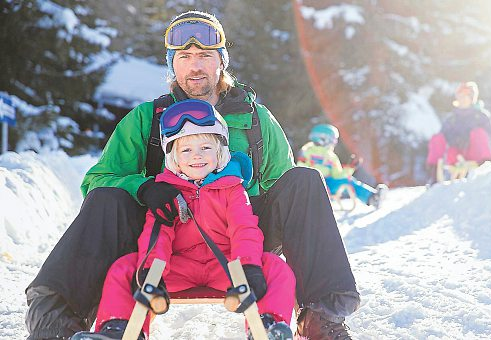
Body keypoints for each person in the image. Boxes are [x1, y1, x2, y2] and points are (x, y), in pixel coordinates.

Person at [25, 10, 359, 340]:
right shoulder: (148, 118)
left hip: (241, 230)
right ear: (172, 63)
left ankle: (322, 316)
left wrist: (236, 208)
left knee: (304, 180)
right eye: (184, 56)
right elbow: (98, 180)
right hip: (166, 232)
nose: (195, 65)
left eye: (205, 55)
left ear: (221, 61)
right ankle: (57, 321)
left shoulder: (256, 119)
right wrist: (143, 188)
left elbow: (284, 189)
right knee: (105, 198)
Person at [70, 99, 295, 340]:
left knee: (275, 267)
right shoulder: (166, 191)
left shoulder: (232, 188)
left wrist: (248, 266)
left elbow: (244, 228)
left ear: (220, 152)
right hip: (178, 267)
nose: (196, 157)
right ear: (174, 158)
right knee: (124, 269)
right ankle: (117, 327)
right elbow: (158, 234)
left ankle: (269, 324)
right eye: (186, 150)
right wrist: (149, 270)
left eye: (206, 148)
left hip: (227, 266)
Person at [297, 124, 386, 208]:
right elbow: (300, 171)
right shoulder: (307, 152)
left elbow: (338, 175)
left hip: (329, 183)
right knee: (312, 183)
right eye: (333, 139)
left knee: (349, 181)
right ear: (323, 139)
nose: (334, 143)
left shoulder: (331, 156)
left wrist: (351, 167)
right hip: (311, 184)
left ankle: (372, 198)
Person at [426, 81, 491, 181]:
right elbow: (443, 136)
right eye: (460, 96)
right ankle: (434, 171)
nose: (461, 99)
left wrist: (469, 138)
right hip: (456, 154)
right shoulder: (452, 119)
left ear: (471, 98)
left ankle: (485, 165)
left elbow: (489, 135)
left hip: (475, 152)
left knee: (478, 132)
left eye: (465, 96)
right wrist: (454, 140)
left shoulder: (480, 116)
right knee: (437, 138)